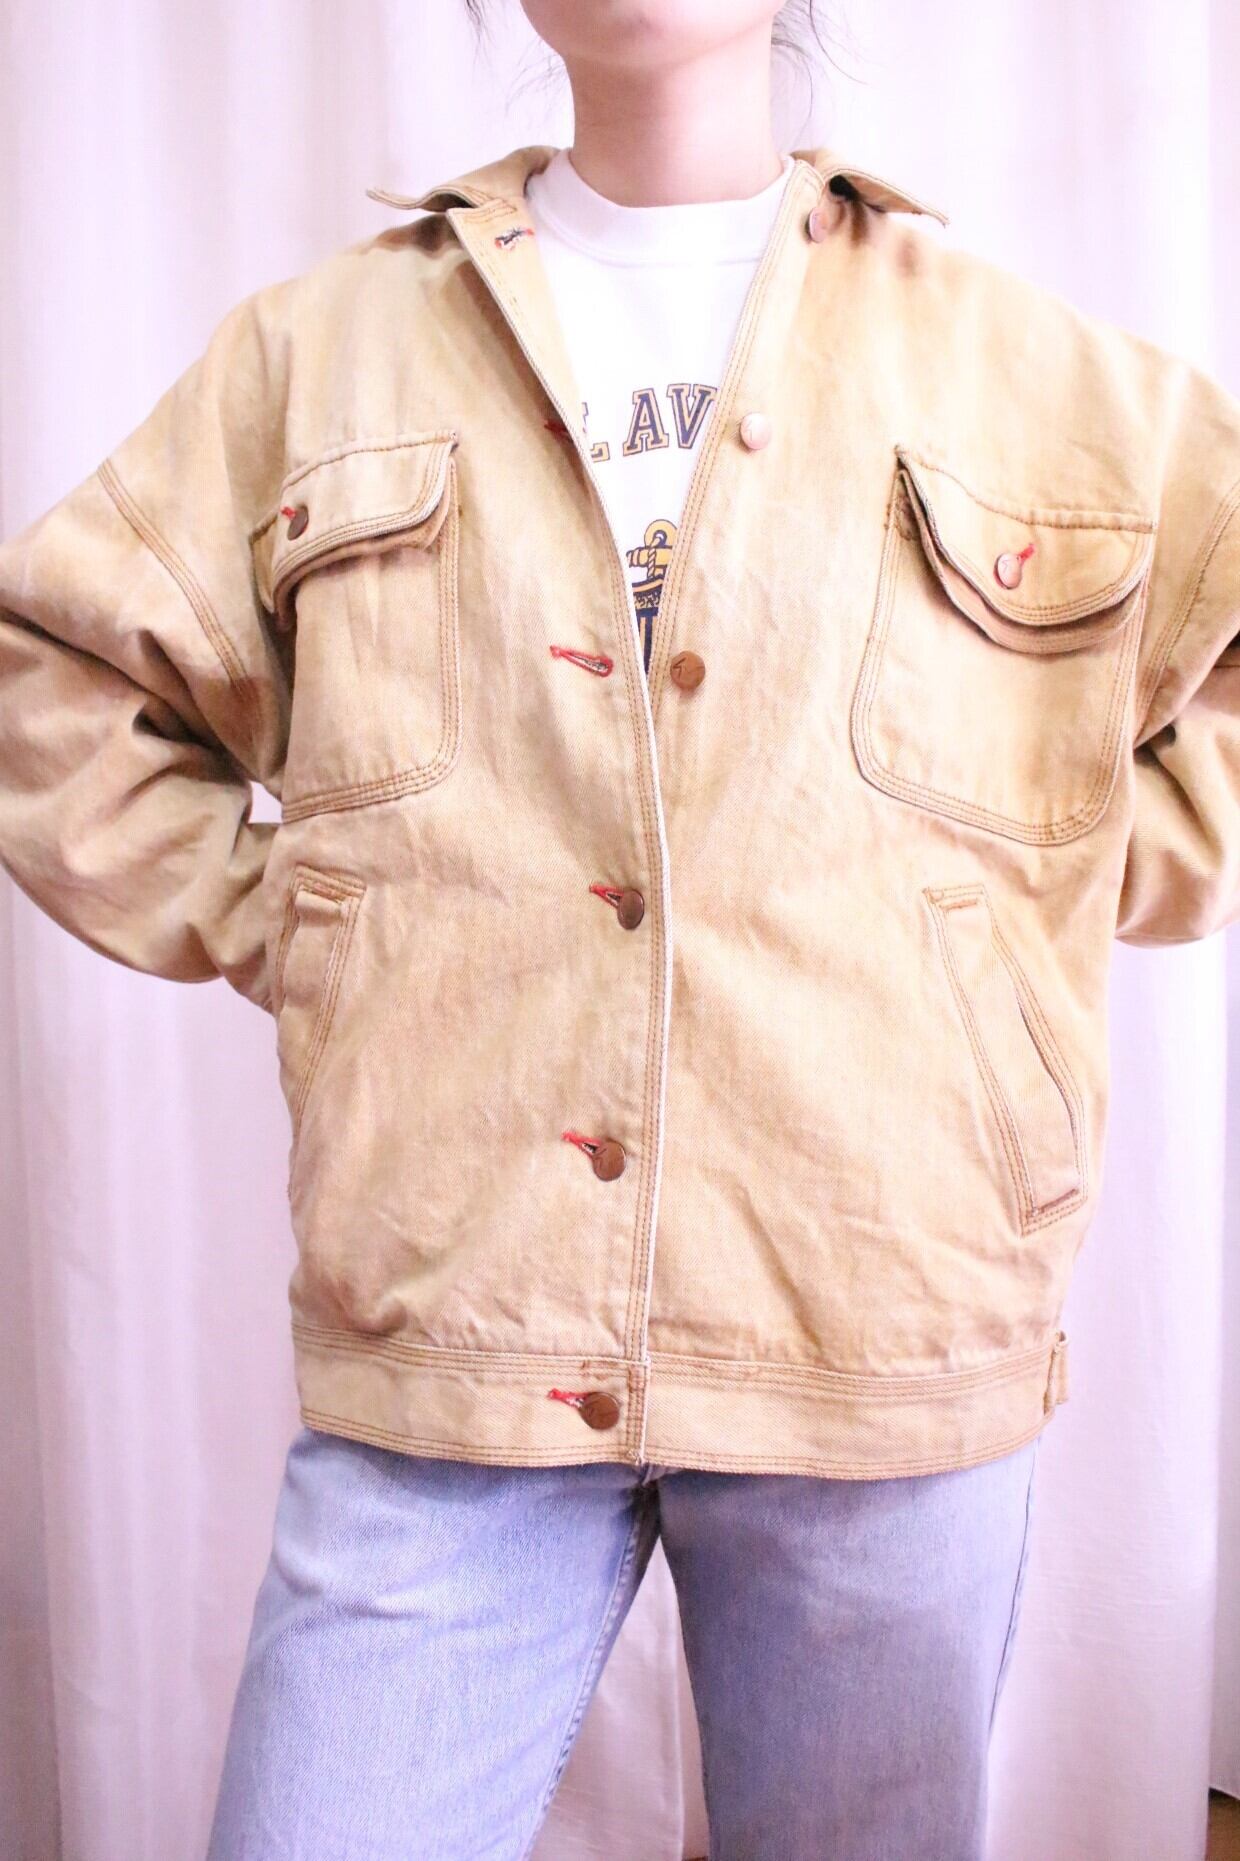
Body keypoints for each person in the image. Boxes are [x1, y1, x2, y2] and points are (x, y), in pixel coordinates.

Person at [0, 1, 1236, 1856]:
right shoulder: (322, 356)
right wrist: (303, 920)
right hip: (453, 1326)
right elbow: (56, 673)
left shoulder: (1027, 372)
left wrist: (1037, 891)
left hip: (878, 1322)